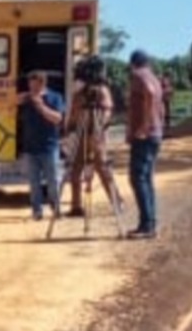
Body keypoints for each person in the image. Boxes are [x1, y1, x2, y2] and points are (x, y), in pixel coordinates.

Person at [65, 56, 121, 217]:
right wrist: (69, 128)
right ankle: (76, 206)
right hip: (81, 133)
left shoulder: (102, 90)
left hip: (95, 134)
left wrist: (99, 128)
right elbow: (75, 112)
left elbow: (107, 110)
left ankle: (117, 201)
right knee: (75, 169)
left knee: (102, 168)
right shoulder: (79, 93)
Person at [17, 70, 65, 221]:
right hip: (30, 147)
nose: (32, 89)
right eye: (30, 86)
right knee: (34, 182)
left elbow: (58, 119)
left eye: (35, 86)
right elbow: (8, 107)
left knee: (52, 181)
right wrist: (20, 99)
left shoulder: (55, 97)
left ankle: (56, 208)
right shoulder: (27, 99)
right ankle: (37, 211)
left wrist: (41, 106)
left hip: (49, 146)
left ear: (43, 84)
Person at [127, 49, 165, 239]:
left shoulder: (139, 75)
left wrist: (143, 126)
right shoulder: (155, 78)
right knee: (146, 178)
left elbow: (148, 94)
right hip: (154, 135)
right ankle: (149, 223)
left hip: (145, 136)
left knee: (138, 178)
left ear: (133, 63)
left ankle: (147, 225)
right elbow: (160, 105)